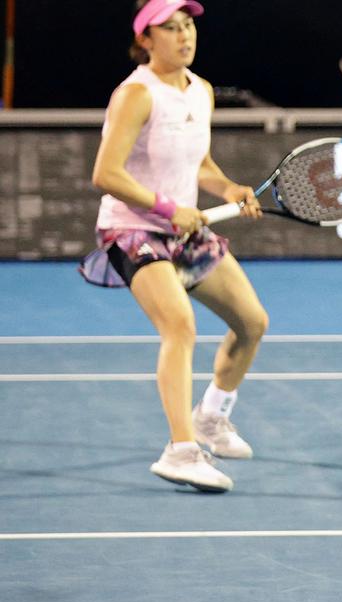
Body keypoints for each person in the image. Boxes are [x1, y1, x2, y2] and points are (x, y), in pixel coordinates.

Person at [81, 0, 268, 492]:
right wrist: (168, 208)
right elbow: (106, 174)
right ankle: (181, 451)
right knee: (179, 326)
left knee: (252, 322)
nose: (185, 36)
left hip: (183, 230)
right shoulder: (136, 94)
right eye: (170, 28)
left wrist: (229, 189)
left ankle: (211, 416)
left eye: (188, 26)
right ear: (145, 39)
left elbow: (199, 164)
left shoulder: (200, 90)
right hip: (132, 229)